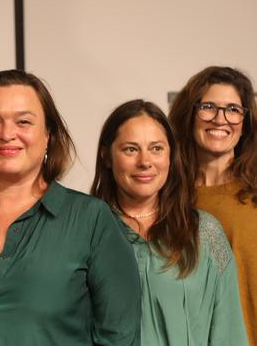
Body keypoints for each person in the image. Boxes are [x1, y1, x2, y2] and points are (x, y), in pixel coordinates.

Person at [0, 69, 141, 346]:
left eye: (23, 121)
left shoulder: (91, 221)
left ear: (48, 134)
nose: (7, 134)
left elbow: (119, 336)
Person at [91, 99, 247, 345]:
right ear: (107, 156)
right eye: (131, 149)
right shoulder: (86, 232)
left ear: (170, 155)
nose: (145, 161)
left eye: (156, 148)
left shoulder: (205, 232)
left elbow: (229, 334)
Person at [168, 66, 257, 344]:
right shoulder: (167, 196)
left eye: (233, 109)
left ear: (245, 122)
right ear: (189, 115)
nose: (221, 120)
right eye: (208, 107)